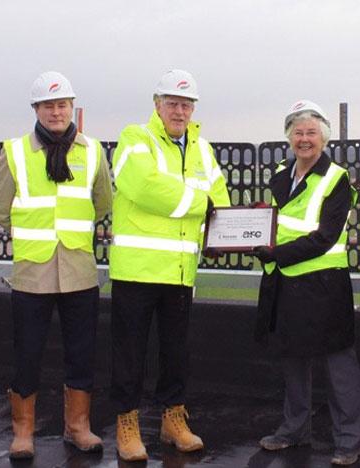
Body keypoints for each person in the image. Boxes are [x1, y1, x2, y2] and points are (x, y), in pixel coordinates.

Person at [0, 71, 113, 459]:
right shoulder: (16, 152)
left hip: (78, 269)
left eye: (62, 105)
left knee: (81, 352)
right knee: (27, 352)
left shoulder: (92, 152)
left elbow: (103, 202)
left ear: (71, 107)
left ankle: (78, 426)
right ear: (36, 110)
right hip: (32, 272)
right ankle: (23, 431)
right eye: (48, 106)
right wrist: (29, 229)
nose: (56, 112)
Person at [109, 69, 230, 462]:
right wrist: (201, 204)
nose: (180, 111)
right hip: (137, 270)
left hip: (180, 271)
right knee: (130, 353)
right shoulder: (135, 138)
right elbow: (144, 188)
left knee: (176, 353)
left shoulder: (201, 148)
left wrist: (222, 225)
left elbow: (221, 196)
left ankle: (173, 419)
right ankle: (126, 425)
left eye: (186, 104)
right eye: (173, 103)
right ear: (157, 104)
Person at [252, 100, 360, 466]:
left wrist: (275, 254)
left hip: (323, 286)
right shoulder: (282, 176)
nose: (304, 139)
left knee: (338, 365)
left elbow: (326, 237)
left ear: (324, 138)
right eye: (298, 133)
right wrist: (254, 225)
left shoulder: (336, 179)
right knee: (293, 360)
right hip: (286, 285)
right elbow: (277, 223)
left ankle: (348, 441)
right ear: (289, 138)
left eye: (311, 133)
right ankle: (293, 429)